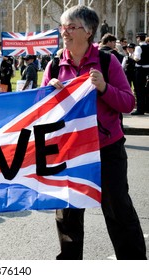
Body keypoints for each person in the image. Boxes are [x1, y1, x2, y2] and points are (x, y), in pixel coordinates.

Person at [41, 5, 147, 260]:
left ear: (88, 31)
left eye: (71, 27)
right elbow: (40, 111)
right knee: (68, 214)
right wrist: (48, 93)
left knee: (118, 211)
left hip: (106, 149)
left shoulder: (106, 61)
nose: (64, 32)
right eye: (63, 27)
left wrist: (103, 88)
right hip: (69, 150)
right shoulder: (54, 66)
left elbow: (128, 103)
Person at [131, 32, 149, 115]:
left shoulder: (138, 47)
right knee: (147, 89)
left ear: (138, 38)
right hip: (148, 69)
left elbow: (137, 58)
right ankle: (147, 108)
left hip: (140, 70)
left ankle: (140, 109)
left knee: (139, 90)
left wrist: (132, 56)